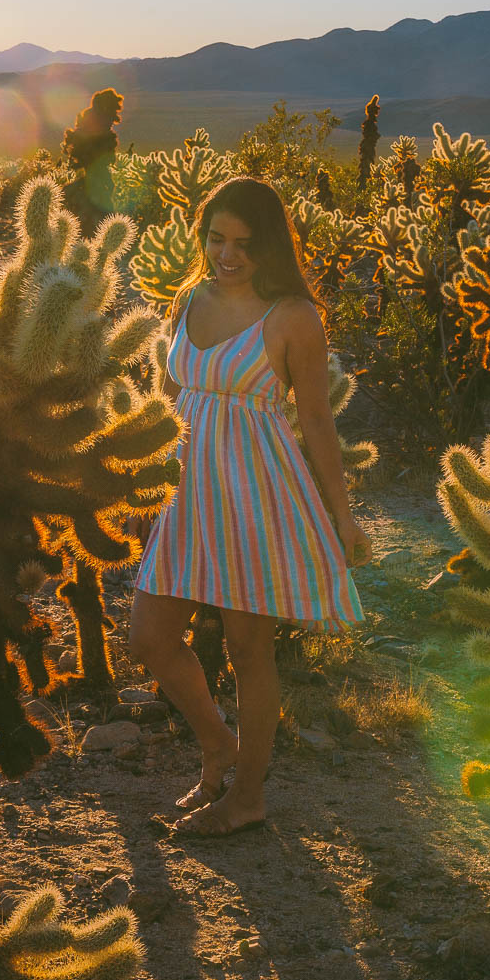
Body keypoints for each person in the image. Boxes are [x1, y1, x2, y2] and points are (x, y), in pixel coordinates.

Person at [129, 176, 373, 838]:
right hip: (184, 490)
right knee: (148, 634)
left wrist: (342, 515)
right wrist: (147, 481)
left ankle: (246, 798)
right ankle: (218, 743)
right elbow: (170, 395)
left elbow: (318, 421)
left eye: (243, 242)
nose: (227, 254)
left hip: (253, 493)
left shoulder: (292, 315)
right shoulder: (190, 298)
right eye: (216, 238)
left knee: (247, 647)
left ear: (269, 245)